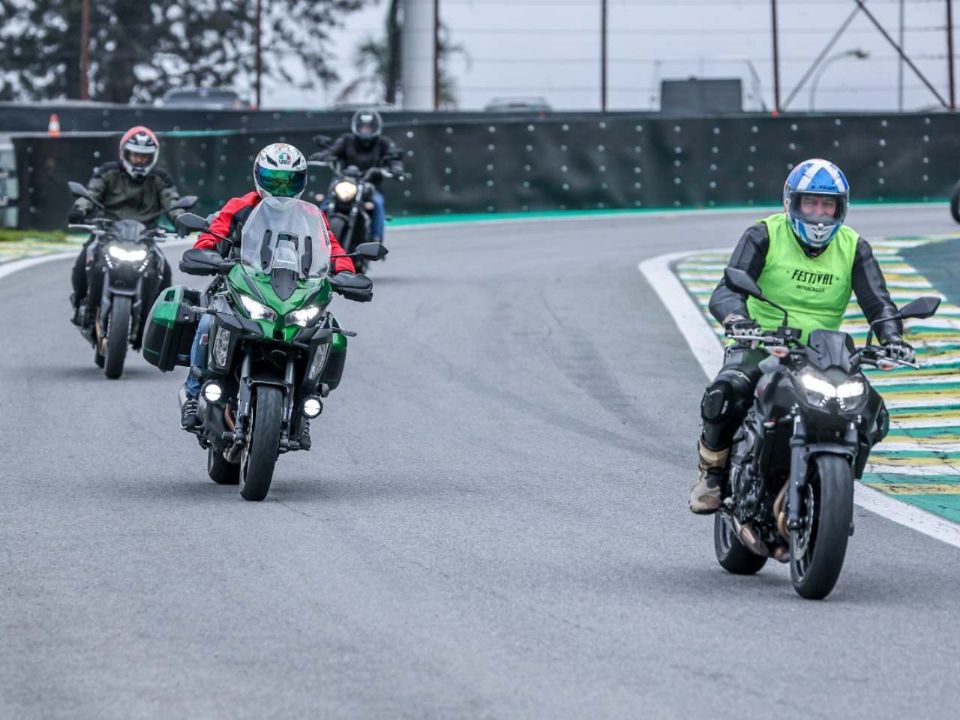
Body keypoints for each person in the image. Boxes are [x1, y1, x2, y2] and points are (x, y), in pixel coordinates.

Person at [689, 158, 915, 514]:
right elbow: (726, 291)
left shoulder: (855, 247)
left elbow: (878, 303)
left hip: (823, 352)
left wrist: (892, 337)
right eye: (811, 203)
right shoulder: (763, 234)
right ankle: (713, 473)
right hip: (763, 343)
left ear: (842, 208)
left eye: (828, 205)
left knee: (872, 411)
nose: (820, 214)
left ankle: (832, 481)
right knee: (726, 391)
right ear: (791, 202)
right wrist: (738, 320)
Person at [179, 142, 357, 436]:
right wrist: (205, 251)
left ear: (301, 182)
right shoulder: (239, 206)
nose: (281, 188)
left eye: (290, 181)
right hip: (239, 284)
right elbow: (214, 233)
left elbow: (333, 248)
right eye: (274, 180)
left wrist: (347, 273)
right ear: (259, 177)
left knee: (324, 328)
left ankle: (305, 400)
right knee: (208, 320)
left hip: (293, 291)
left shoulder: (312, 216)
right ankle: (193, 391)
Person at [68, 126, 184, 325]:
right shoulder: (108, 172)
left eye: (144, 156)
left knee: (164, 272)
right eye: (135, 155)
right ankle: (80, 304)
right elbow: (91, 194)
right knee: (82, 263)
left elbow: (172, 201)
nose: (139, 160)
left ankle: (155, 323)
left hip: (145, 237)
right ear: (124, 153)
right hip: (107, 233)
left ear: (153, 157)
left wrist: (181, 220)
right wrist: (80, 210)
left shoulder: (160, 179)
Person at [315, 108, 405, 244]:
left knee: (378, 203)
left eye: (368, 128)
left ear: (375, 128)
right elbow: (333, 150)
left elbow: (394, 156)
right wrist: (323, 155)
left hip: (370, 186)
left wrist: (396, 167)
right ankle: (316, 235)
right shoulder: (347, 140)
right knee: (327, 202)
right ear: (356, 127)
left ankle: (376, 240)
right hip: (345, 182)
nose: (365, 131)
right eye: (362, 127)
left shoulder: (383, 143)